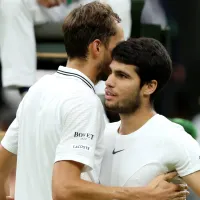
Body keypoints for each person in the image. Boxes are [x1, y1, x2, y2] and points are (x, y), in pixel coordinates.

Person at [0, 2, 188, 200]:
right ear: (97, 47)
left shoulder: (37, 90)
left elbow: (1, 168)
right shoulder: (84, 102)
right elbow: (64, 189)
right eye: (118, 46)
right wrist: (144, 195)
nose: (121, 56)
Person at [100, 37, 200, 197]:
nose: (109, 82)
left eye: (122, 76)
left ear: (149, 86)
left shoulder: (174, 138)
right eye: (111, 72)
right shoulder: (101, 135)